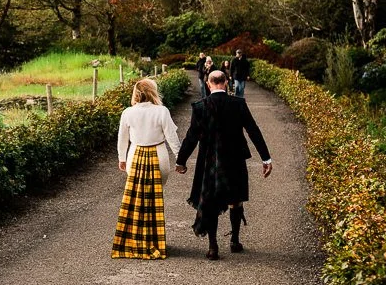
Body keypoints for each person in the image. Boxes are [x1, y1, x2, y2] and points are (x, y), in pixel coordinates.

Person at [175, 70, 272, 260]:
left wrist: (181, 160)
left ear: (209, 83)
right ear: (226, 83)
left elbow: (191, 137)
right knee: (235, 200)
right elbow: (253, 130)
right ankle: (235, 241)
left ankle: (213, 247)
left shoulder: (200, 106)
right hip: (234, 159)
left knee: (210, 201)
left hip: (209, 161)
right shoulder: (238, 104)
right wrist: (266, 158)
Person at [111, 78, 181, 259]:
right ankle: (154, 240)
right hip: (159, 157)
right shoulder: (162, 111)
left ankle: (136, 239)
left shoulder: (128, 112)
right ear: (153, 92)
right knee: (154, 199)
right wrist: (180, 160)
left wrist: (122, 158)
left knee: (137, 199)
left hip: (134, 156)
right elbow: (172, 138)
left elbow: (122, 138)